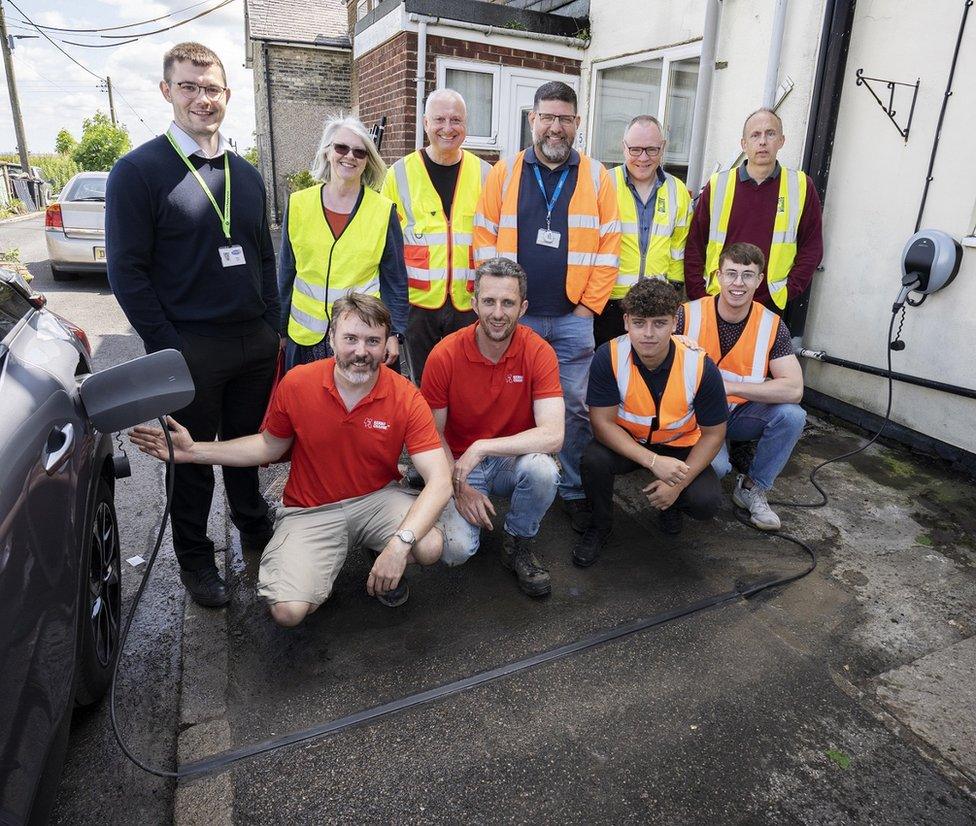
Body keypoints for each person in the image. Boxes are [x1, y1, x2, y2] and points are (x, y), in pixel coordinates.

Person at [130, 294, 453, 627]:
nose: (361, 351)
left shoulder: (404, 395)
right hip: (312, 509)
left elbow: (440, 480)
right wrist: (194, 450)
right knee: (289, 612)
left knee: (428, 546)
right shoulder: (298, 383)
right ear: (331, 339)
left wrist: (398, 548)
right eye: (351, 338)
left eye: (373, 341)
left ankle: (382, 553)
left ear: (386, 344)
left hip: (376, 500)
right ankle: (322, 570)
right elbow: (268, 447)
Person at [106, 42, 280, 608]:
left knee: (248, 448)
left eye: (213, 89)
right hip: (189, 350)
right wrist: (170, 348)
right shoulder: (138, 172)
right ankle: (196, 560)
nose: (203, 99)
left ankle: (254, 524)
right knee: (191, 459)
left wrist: (272, 329)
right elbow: (126, 273)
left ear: (227, 95)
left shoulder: (248, 175)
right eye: (189, 87)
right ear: (166, 91)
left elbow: (266, 257)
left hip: (252, 344)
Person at [474, 80, 620, 533]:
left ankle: (572, 490)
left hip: (574, 317)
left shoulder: (598, 177)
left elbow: (609, 248)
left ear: (577, 123)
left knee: (574, 408)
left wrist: (587, 309)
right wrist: (497, 307)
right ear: (532, 120)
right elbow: (483, 237)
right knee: (515, 403)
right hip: (517, 319)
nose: (555, 127)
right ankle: (520, 480)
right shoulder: (505, 171)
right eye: (547, 117)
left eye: (565, 118)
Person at [421, 258, 564, 597]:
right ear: (474, 303)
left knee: (543, 469)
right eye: (489, 301)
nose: (498, 313)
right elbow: (430, 437)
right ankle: (439, 498)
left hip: (505, 459)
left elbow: (554, 435)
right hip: (458, 464)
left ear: (523, 307)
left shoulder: (538, 352)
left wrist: (483, 446)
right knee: (456, 552)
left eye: (508, 302)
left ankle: (518, 542)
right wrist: (457, 485)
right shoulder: (444, 355)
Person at [572, 278, 727, 567]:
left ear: (674, 322)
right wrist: (654, 462)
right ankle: (600, 525)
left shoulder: (700, 365)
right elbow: (602, 423)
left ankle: (671, 505)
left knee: (705, 502)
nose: (649, 334)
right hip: (629, 443)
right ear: (626, 321)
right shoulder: (609, 356)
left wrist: (677, 486)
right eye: (640, 323)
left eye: (659, 323)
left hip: (679, 446)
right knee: (593, 459)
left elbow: (714, 434)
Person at [676, 242, 806, 530]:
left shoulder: (772, 324)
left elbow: (794, 389)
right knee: (718, 467)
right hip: (695, 418)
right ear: (718, 276)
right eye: (731, 273)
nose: (738, 283)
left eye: (748, 275)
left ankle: (752, 488)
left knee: (793, 415)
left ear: (759, 280)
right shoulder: (687, 314)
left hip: (739, 415)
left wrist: (731, 387)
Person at [279, 115, 407, 371]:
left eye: (360, 152)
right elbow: (286, 274)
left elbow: (396, 280)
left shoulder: (383, 211)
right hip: (307, 340)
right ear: (328, 152)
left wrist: (395, 333)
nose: (350, 156)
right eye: (341, 148)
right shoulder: (298, 205)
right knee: (308, 408)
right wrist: (279, 329)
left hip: (361, 337)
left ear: (367, 160)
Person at [381, 89, 493, 380]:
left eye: (456, 119)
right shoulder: (398, 174)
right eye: (439, 119)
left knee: (467, 382)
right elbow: (386, 247)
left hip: (468, 303)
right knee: (424, 384)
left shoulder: (486, 174)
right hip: (418, 306)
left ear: (466, 125)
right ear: (425, 123)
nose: (447, 127)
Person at [684, 108, 823, 312]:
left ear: (781, 141)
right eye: (755, 135)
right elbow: (695, 244)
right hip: (717, 300)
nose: (763, 141)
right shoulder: (718, 184)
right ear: (744, 144)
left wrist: (788, 290)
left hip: (770, 305)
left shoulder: (801, 186)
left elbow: (812, 247)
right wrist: (699, 294)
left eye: (770, 133)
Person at [596, 115, 692, 345]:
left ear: (663, 148)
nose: (643, 158)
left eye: (651, 150)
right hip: (609, 301)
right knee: (608, 370)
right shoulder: (604, 183)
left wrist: (674, 296)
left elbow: (679, 247)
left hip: (656, 304)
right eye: (635, 150)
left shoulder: (676, 190)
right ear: (623, 147)